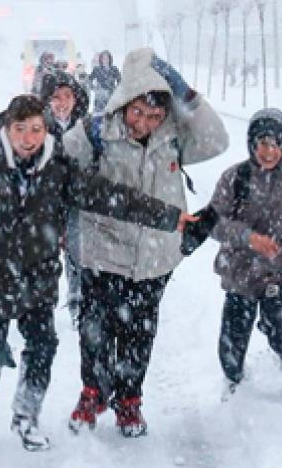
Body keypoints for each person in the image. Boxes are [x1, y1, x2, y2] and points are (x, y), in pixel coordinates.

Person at [0, 95, 196, 451]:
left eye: (36, 129)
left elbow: (109, 196)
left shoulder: (59, 170)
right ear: (6, 130)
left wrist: (167, 216)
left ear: (46, 131)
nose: (28, 138)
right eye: (20, 129)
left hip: (37, 278)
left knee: (42, 346)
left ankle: (26, 417)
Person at [62, 48, 228, 437]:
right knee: (96, 329)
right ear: (124, 103)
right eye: (138, 112)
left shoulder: (173, 139)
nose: (145, 123)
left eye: (155, 116)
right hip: (102, 251)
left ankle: (129, 399)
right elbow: (58, 170)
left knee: (139, 332)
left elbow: (216, 140)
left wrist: (188, 96)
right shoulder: (95, 132)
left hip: (154, 257)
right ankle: (93, 391)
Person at [209, 108, 282, 400]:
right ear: (251, 144)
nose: (268, 151)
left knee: (276, 317)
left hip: (280, 267)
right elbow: (213, 223)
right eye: (262, 143)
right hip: (240, 269)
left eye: (275, 144)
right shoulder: (235, 178)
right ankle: (233, 381)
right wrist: (248, 238)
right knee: (233, 336)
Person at [36, 71, 92, 324]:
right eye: (56, 97)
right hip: (45, 203)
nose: (62, 102)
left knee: (76, 252)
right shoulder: (38, 126)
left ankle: (76, 300)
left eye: (67, 96)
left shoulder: (85, 126)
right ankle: (41, 304)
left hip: (76, 201)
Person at [88, 49, 120, 115]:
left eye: (107, 58)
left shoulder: (114, 69)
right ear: (101, 59)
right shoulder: (97, 69)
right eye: (103, 58)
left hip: (111, 96)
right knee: (99, 115)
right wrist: (93, 88)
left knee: (111, 114)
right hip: (100, 97)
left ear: (110, 59)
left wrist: (116, 89)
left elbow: (120, 81)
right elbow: (89, 80)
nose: (105, 60)